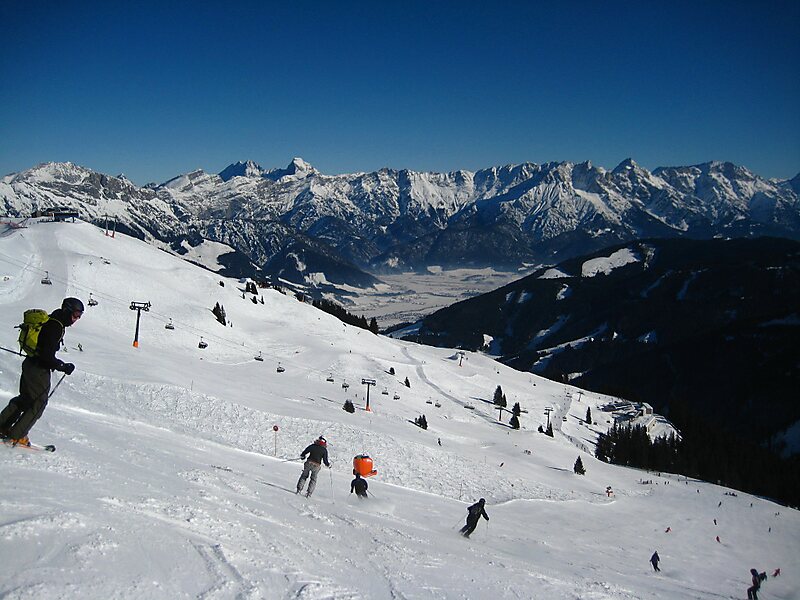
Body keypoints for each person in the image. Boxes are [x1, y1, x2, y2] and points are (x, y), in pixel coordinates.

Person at [0, 298, 82, 446]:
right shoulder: (55, 326)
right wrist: (62, 366)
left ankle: (2, 426)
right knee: (39, 403)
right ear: (67, 310)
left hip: (30, 364)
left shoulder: (53, 321)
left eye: (79, 316)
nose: (76, 319)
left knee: (25, 399)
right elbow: (46, 356)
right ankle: (17, 435)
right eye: (75, 314)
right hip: (38, 369)